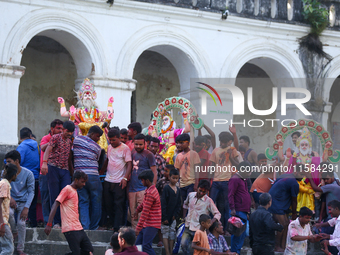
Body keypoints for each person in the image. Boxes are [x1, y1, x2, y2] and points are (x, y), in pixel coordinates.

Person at [44, 171, 94, 255]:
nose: (84, 184)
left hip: (78, 227)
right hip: (70, 229)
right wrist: (49, 224)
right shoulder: (67, 189)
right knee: (77, 252)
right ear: (76, 180)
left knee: (89, 250)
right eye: (82, 182)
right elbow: (55, 205)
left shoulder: (74, 191)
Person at [58, 78, 113, 151]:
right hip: (82, 135)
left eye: (89, 95)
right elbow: (63, 113)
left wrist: (110, 104)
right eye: (85, 96)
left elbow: (109, 115)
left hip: (96, 136)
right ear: (82, 98)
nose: (87, 97)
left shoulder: (97, 112)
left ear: (93, 97)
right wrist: (62, 103)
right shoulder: (79, 111)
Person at [41, 120, 75, 228]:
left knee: (66, 195)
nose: (69, 133)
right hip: (53, 168)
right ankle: (55, 222)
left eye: (71, 132)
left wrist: (71, 171)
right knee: (54, 195)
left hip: (64, 170)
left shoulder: (70, 141)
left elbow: (69, 157)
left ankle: (64, 220)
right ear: (64, 129)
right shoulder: (55, 137)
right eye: (67, 131)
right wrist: (44, 164)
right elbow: (47, 150)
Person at [100, 128, 132, 232]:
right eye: (110, 140)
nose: (112, 142)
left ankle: (117, 227)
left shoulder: (125, 148)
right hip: (108, 180)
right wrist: (101, 172)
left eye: (114, 140)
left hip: (119, 181)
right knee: (108, 204)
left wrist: (125, 178)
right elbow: (107, 160)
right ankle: (112, 224)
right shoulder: (109, 147)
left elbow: (129, 164)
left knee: (118, 205)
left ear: (119, 138)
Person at [268, 164, 305, 252]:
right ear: (296, 172)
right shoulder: (294, 183)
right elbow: (294, 201)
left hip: (274, 202)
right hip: (277, 204)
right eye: (302, 174)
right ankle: (277, 246)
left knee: (286, 225)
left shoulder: (285, 175)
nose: (303, 177)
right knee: (283, 225)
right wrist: (294, 214)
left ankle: (283, 246)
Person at [73, 125, 103, 230]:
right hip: (93, 175)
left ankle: (85, 227)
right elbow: (98, 159)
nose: (98, 139)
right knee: (96, 201)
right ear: (92, 134)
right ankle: (94, 227)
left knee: (83, 201)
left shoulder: (77, 140)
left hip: (79, 175)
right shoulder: (97, 147)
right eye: (98, 136)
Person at [5, 150, 35, 255]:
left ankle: (20, 249)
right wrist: (10, 198)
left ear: (17, 161)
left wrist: (26, 208)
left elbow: (31, 192)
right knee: (10, 214)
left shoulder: (28, 174)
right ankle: (14, 232)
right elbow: (3, 188)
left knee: (22, 223)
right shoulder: (4, 173)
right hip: (9, 201)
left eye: (9, 161)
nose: (7, 164)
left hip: (23, 203)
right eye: (6, 162)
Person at [209, 131, 240, 230]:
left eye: (225, 142)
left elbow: (238, 165)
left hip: (227, 180)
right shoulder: (215, 151)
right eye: (221, 142)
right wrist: (210, 180)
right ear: (219, 141)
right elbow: (212, 166)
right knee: (211, 203)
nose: (223, 144)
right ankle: (211, 227)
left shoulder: (232, 150)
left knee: (227, 205)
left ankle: (226, 229)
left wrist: (230, 156)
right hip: (216, 181)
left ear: (229, 142)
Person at [181, 180, 221, 255]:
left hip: (200, 230)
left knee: (199, 250)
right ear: (197, 188)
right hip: (188, 226)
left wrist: (211, 222)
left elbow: (217, 214)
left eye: (204, 192)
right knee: (183, 245)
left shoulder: (208, 201)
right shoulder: (190, 195)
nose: (202, 193)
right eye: (200, 190)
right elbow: (185, 205)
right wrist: (184, 216)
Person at [129, 134, 157, 229]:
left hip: (143, 188)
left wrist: (153, 187)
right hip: (132, 188)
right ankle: (135, 237)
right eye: (136, 144)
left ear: (145, 143)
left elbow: (154, 172)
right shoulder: (132, 153)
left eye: (140, 144)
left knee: (142, 213)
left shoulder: (149, 155)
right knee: (133, 213)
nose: (138, 146)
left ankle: (141, 235)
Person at [40, 119, 63, 226]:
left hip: (56, 172)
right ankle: (46, 221)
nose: (60, 131)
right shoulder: (46, 138)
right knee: (45, 198)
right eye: (58, 128)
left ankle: (55, 222)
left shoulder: (64, 139)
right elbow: (43, 148)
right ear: (52, 129)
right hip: (44, 173)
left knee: (55, 197)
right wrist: (53, 141)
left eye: (62, 129)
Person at [16, 127, 40, 228]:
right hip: (36, 177)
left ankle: (20, 224)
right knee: (32, 202)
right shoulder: (36, 146)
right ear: (31, 136)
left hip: (24, 178)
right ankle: (33, 224)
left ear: (20, 137)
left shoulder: (22, 147)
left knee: (22, 202)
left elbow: (17, 161)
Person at [134, 170, 161, 255]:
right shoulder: (150, 190)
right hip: (147, 223)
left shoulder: (150, 193)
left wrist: (138, 228)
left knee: (146, 246)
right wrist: (137, 210)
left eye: (142, 180)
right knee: (137, 245)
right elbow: (143, 204)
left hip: (151, 224)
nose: (141, 182)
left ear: (147, 181)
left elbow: (145, 212)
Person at [228, 161, 252, 255]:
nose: (250, 173)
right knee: (237, 233)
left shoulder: (243, 179)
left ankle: (237, 251)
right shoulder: (235, 179)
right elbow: (231, 194)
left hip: (244, 210)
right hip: (238, 210)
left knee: (242, 234)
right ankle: (234, 252)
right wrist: (232, 208)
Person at [174, 133, 201, 202]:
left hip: (191, 183)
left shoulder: (194, 154)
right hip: (182, 184)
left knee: (191, 202)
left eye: (181, 143)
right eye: (177, 143)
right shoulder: (178, 156)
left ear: (188, 143)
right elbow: (177, 170)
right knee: (183, 203)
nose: (179, 145)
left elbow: (197, 169)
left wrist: (196, 184)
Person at [161, 168, 181, 255]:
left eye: (177, 178)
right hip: (166, 216)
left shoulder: (178, 190)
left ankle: (171, 252)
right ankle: (167, 252)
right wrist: (164, 217)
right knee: (165, 233)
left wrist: (175, 215)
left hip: (173, 217)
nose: (175, 180)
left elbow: (179, 204)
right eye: (173, 178)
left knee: (172, 233)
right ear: (169, 177)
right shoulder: (166, 188)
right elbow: (163, 203)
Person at [0, 164, 18, 255]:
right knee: (8, 249)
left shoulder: (4, 183)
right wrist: (2, 224)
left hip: (3, 221)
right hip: (2, 221)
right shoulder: (5, 185)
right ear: (13, 174)